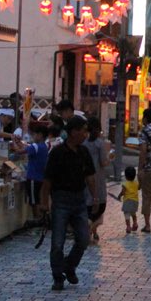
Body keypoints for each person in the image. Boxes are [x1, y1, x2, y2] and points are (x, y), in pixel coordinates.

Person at [41, 116, 98, 291]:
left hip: (79, 200)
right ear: (74, 132)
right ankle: (58, 276)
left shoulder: (84, 152)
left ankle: (70, 266)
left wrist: (95, 197)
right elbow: (48, 180)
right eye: (83, 130)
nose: (86, 134)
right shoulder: (57, 153)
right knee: (57, 242)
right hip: (61, 200)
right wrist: (44, 203)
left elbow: (90, 176)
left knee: (83, 238)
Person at [83, 117, 111, 243]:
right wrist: (110, 158)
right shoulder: (100, 143)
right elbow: (103, 162)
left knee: (88, 206)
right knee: (99, 206)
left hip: (85, 177)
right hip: (98, 177)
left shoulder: (84, 143)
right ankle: (89, 230)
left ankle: (91, 231)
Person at [23, 125, 50, 209]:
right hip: (41, 177)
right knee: (38, 199)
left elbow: (19, 151)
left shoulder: (35, 146)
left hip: (33, 178)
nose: (33, 136)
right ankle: (41, 218)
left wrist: (14, 142)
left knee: (34, 202)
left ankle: (37, 218)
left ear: (40, 135)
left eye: (35, 134)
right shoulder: (45, 146)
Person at [118, 166, 139, 234]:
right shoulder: (136, 183)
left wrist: (119, 196)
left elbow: (123, 192)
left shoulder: (125, 184)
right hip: (135, 201)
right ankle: (135, 223)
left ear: (126, 176)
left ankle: (128, 227)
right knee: (133, 213)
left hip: (127, 201)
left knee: (127, 214)